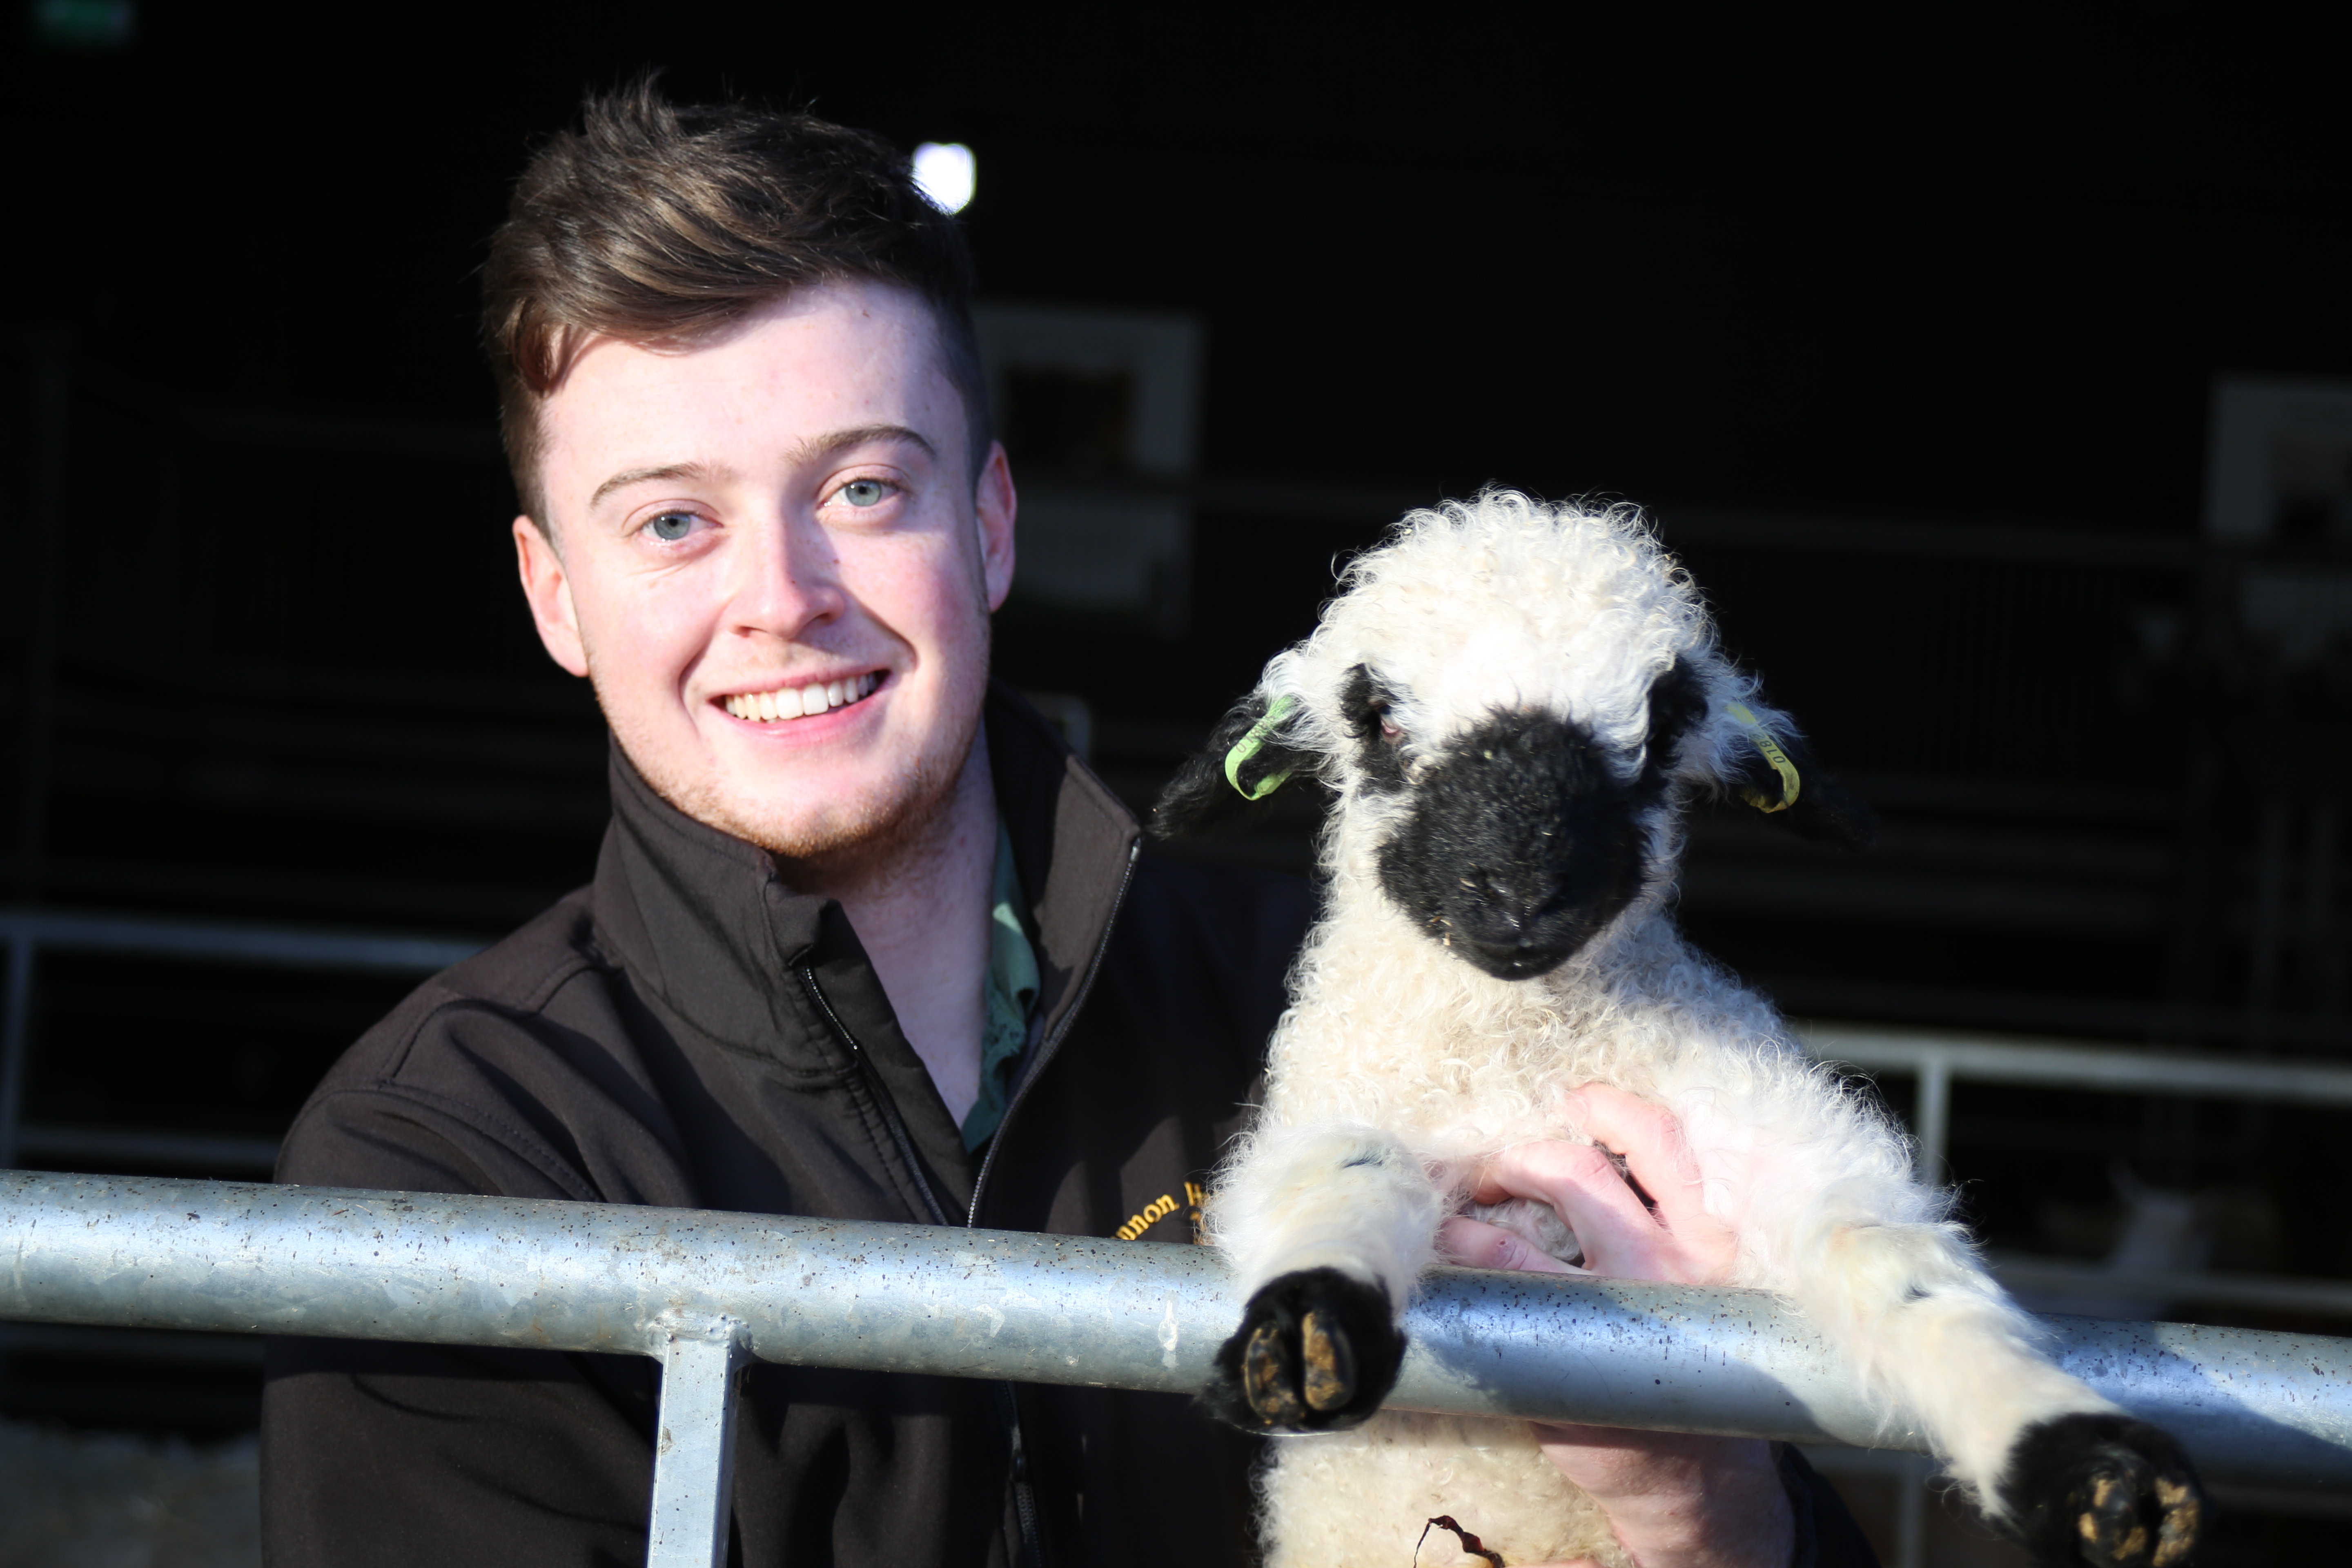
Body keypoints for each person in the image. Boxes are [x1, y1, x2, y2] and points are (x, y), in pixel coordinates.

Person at [259, 82, 1878, 1568]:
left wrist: (1698, 1494)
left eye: (863, 491)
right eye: (673, 521)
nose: (782, 602)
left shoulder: (1352, 1021)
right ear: (557, 594)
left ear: (993, 522)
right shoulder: (456, 1158)